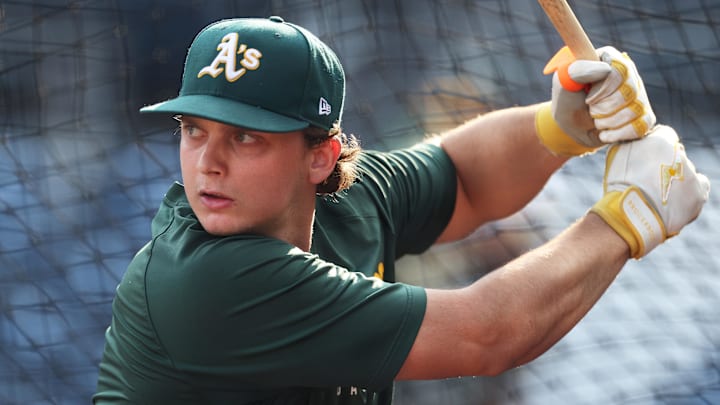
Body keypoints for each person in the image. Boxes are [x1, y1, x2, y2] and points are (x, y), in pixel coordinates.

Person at [94, 16, 710, 404]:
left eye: (246, 137)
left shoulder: (339, 205)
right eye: (194, 130)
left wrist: (564, 125)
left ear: (320, 158)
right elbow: (487, 335)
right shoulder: (206, 279)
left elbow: (462, 174)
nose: (208, 162)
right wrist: (627, 219)